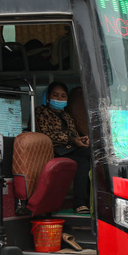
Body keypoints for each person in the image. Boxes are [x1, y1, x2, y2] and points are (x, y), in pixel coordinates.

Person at [35, 81, 91, 214]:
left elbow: (74, 134)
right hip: (54, 150)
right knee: (82, 161)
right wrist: (73, 140)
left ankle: (93, 200)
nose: (59, 99)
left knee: (93, 155)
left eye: (63, 96)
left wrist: (83, 139)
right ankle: (79, 203)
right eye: (56, 95)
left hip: (70, 148)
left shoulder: (66, 115)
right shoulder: (41, 112)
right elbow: (46, 134)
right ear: (48, 97)